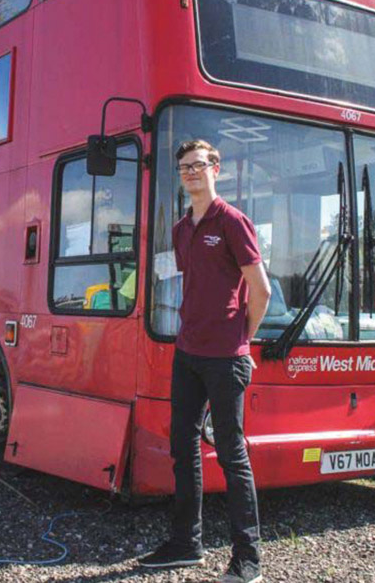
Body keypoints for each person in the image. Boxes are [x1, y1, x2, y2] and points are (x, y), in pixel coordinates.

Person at [139, 139, 271, 583]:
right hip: (188, 352)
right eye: (184, 168)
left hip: (225, 358)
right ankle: (185, 544)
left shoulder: (233, 222)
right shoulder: (181, 229)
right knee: (184, 447)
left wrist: (242, 343)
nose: (192, 173)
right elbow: (193, 284)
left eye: (199, 165)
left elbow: (262, 290)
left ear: (217, 169)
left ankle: (247, 559)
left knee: (232, 455)